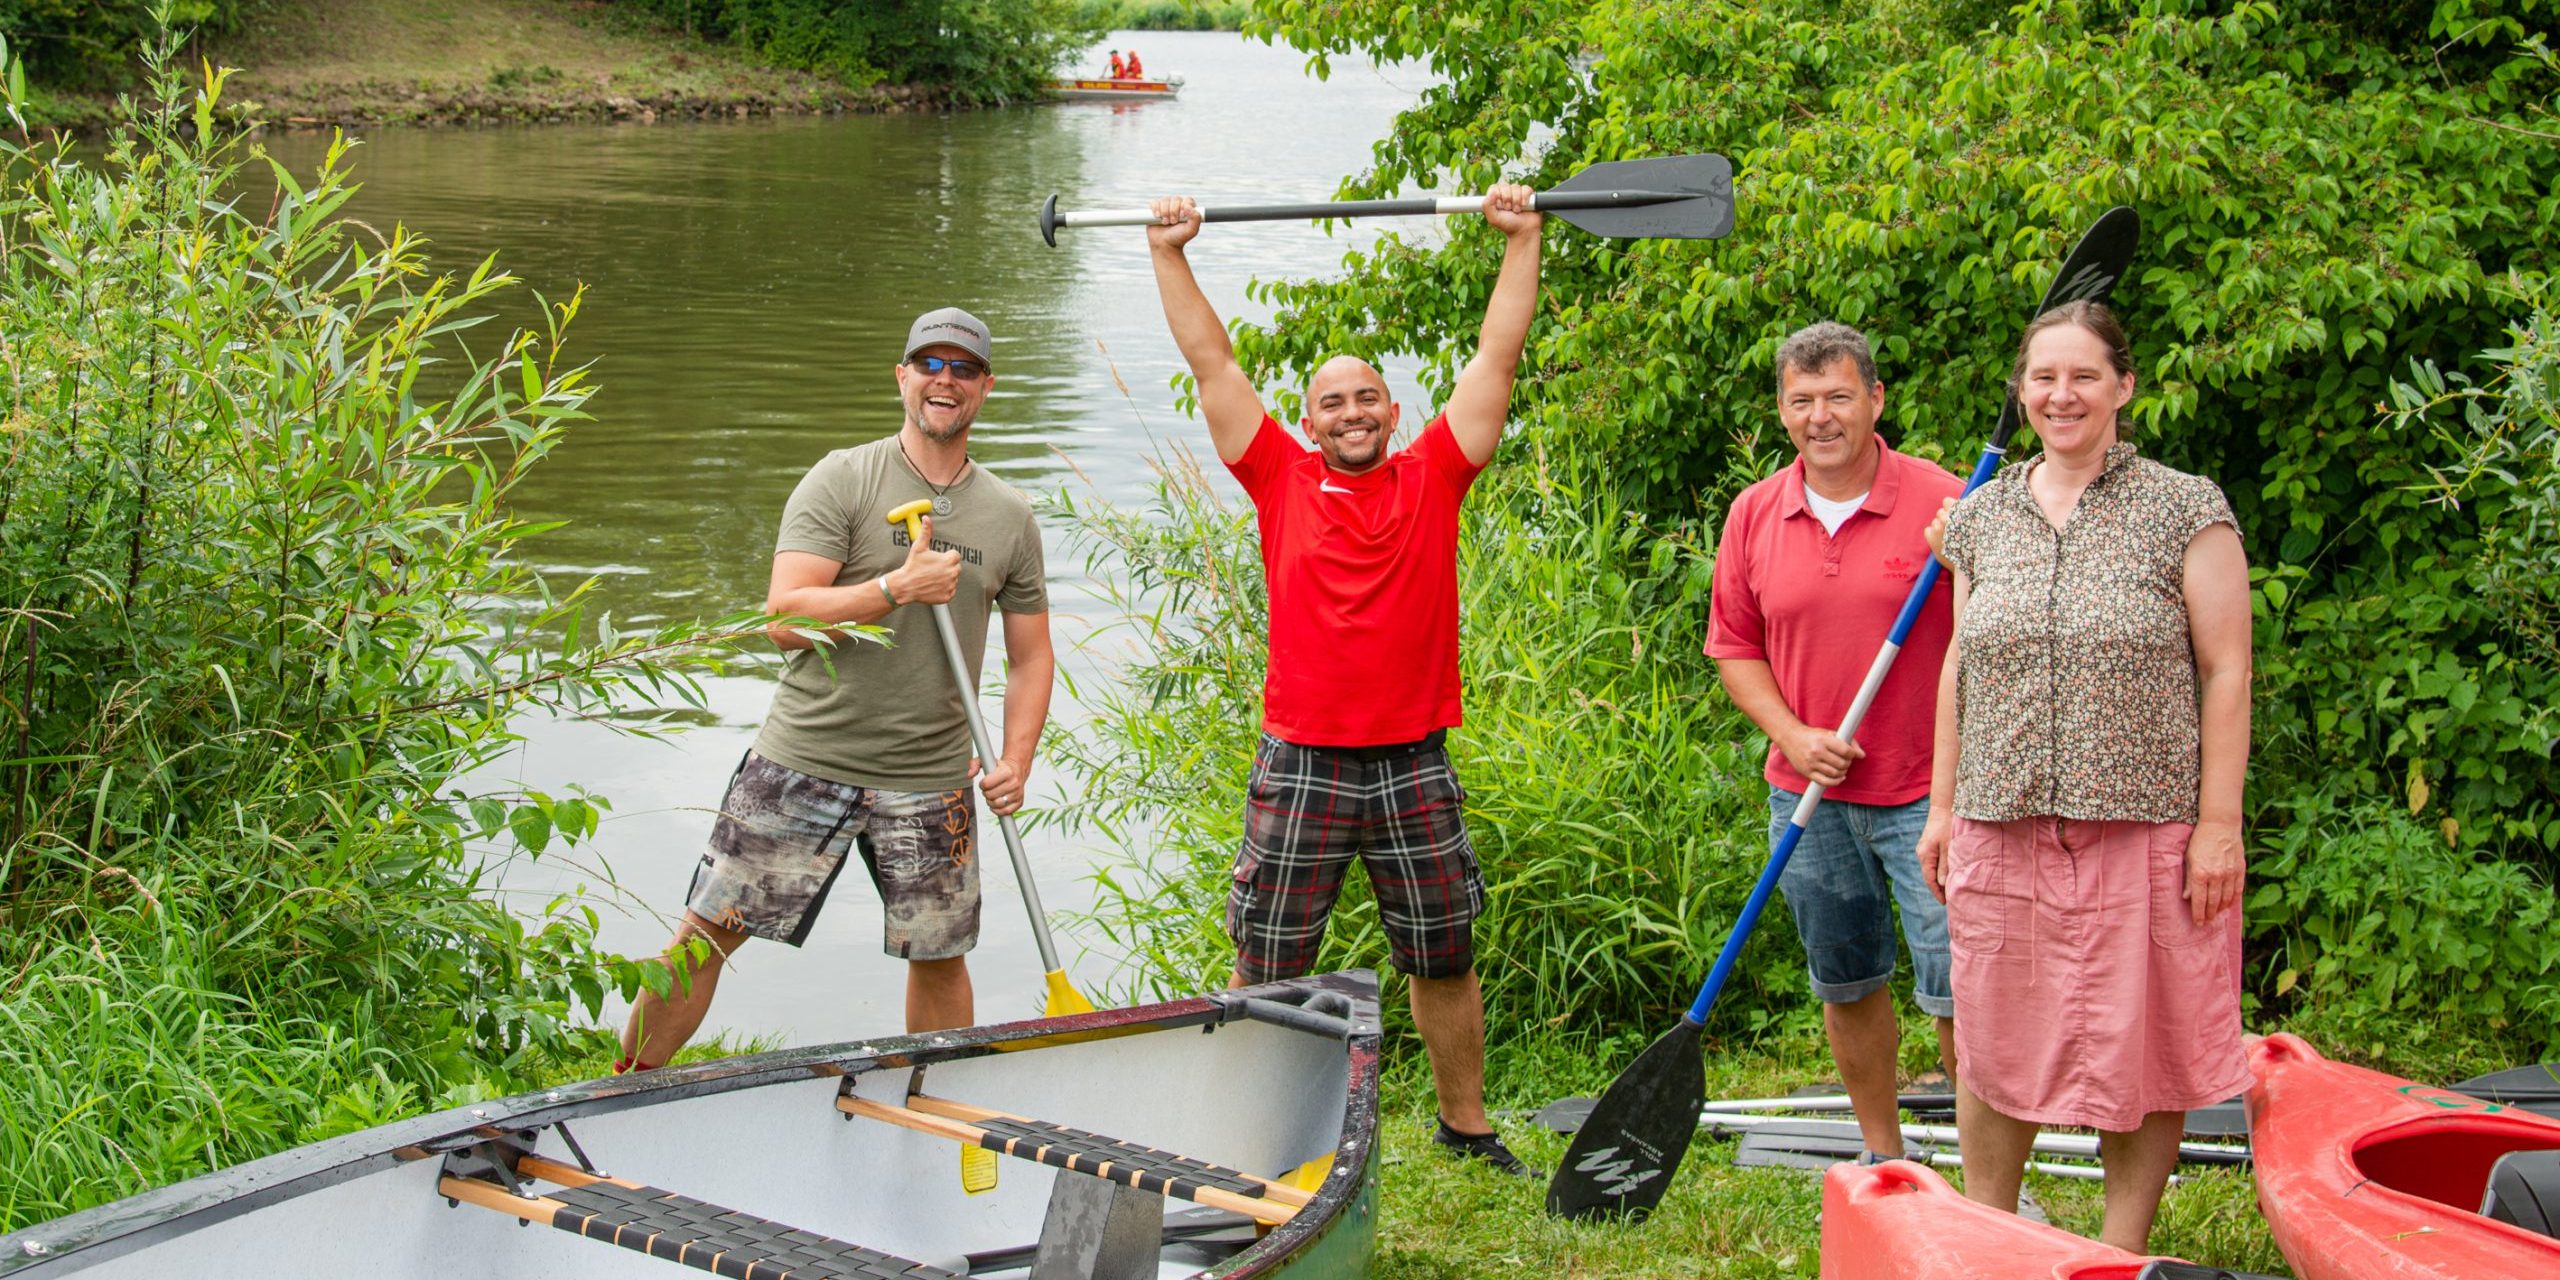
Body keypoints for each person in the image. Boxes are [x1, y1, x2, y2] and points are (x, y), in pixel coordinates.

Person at [1145, 185, 1541, 1176]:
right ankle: (1255, 1140)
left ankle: (1464, 1125)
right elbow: (1212, 361)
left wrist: (1521, 238)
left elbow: (1496, 358)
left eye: (1367, 397)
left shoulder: (1434, 473)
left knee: (1442, 950)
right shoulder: (1277, 475)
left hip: (1413, 761)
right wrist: (1168, 253)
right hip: (1304, 762)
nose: (1353, 412)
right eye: (1333, 401)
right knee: (1269, 960)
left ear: (1391, 410)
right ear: (1309, 418)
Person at [617, 306, 1053, 1073]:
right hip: (805, 759)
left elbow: (1031, 656)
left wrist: (1015, 759)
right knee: (707, 932)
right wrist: (894, 588)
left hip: (931, 776)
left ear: (985, 387)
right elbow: (784, 619)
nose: (944, 380)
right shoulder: (843, 478)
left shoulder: (1009, 516)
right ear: (901, 376)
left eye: (963, 369)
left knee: (940, 959)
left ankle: (935, 1102)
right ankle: (624, 1088)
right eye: (930, 364)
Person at [1916, 299, 2251, 1252]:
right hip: (2001, 818)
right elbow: (1961, 665)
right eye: (2044, 377)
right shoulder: (1980, 519)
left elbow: (2228, 669)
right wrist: (1941, 808)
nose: (2062, 396)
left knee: (2143, 1045)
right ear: (2022, 392)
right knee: (1992, 1038)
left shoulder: (2185, 508)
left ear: (2123, 387)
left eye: (2084, 376)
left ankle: (2118, 1251)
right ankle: (1994, 1239)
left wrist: (2218, 825)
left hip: (2144, 825)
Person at [1704, 321, 1965, 1165]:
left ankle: (1983, 1174)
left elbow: (1998, 633)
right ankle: (1884, 1155)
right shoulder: (1755, 513)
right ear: (1782, 411)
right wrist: (1793, 735)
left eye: (1839, 396)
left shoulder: (1947, 502)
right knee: (1847, 982)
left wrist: (1965, 561)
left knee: (1961, 991)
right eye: (1802, 400)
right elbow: (1734, 647)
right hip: (1808, 797)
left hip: (1932, 796)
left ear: (1876, 400)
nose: (1821, 416)